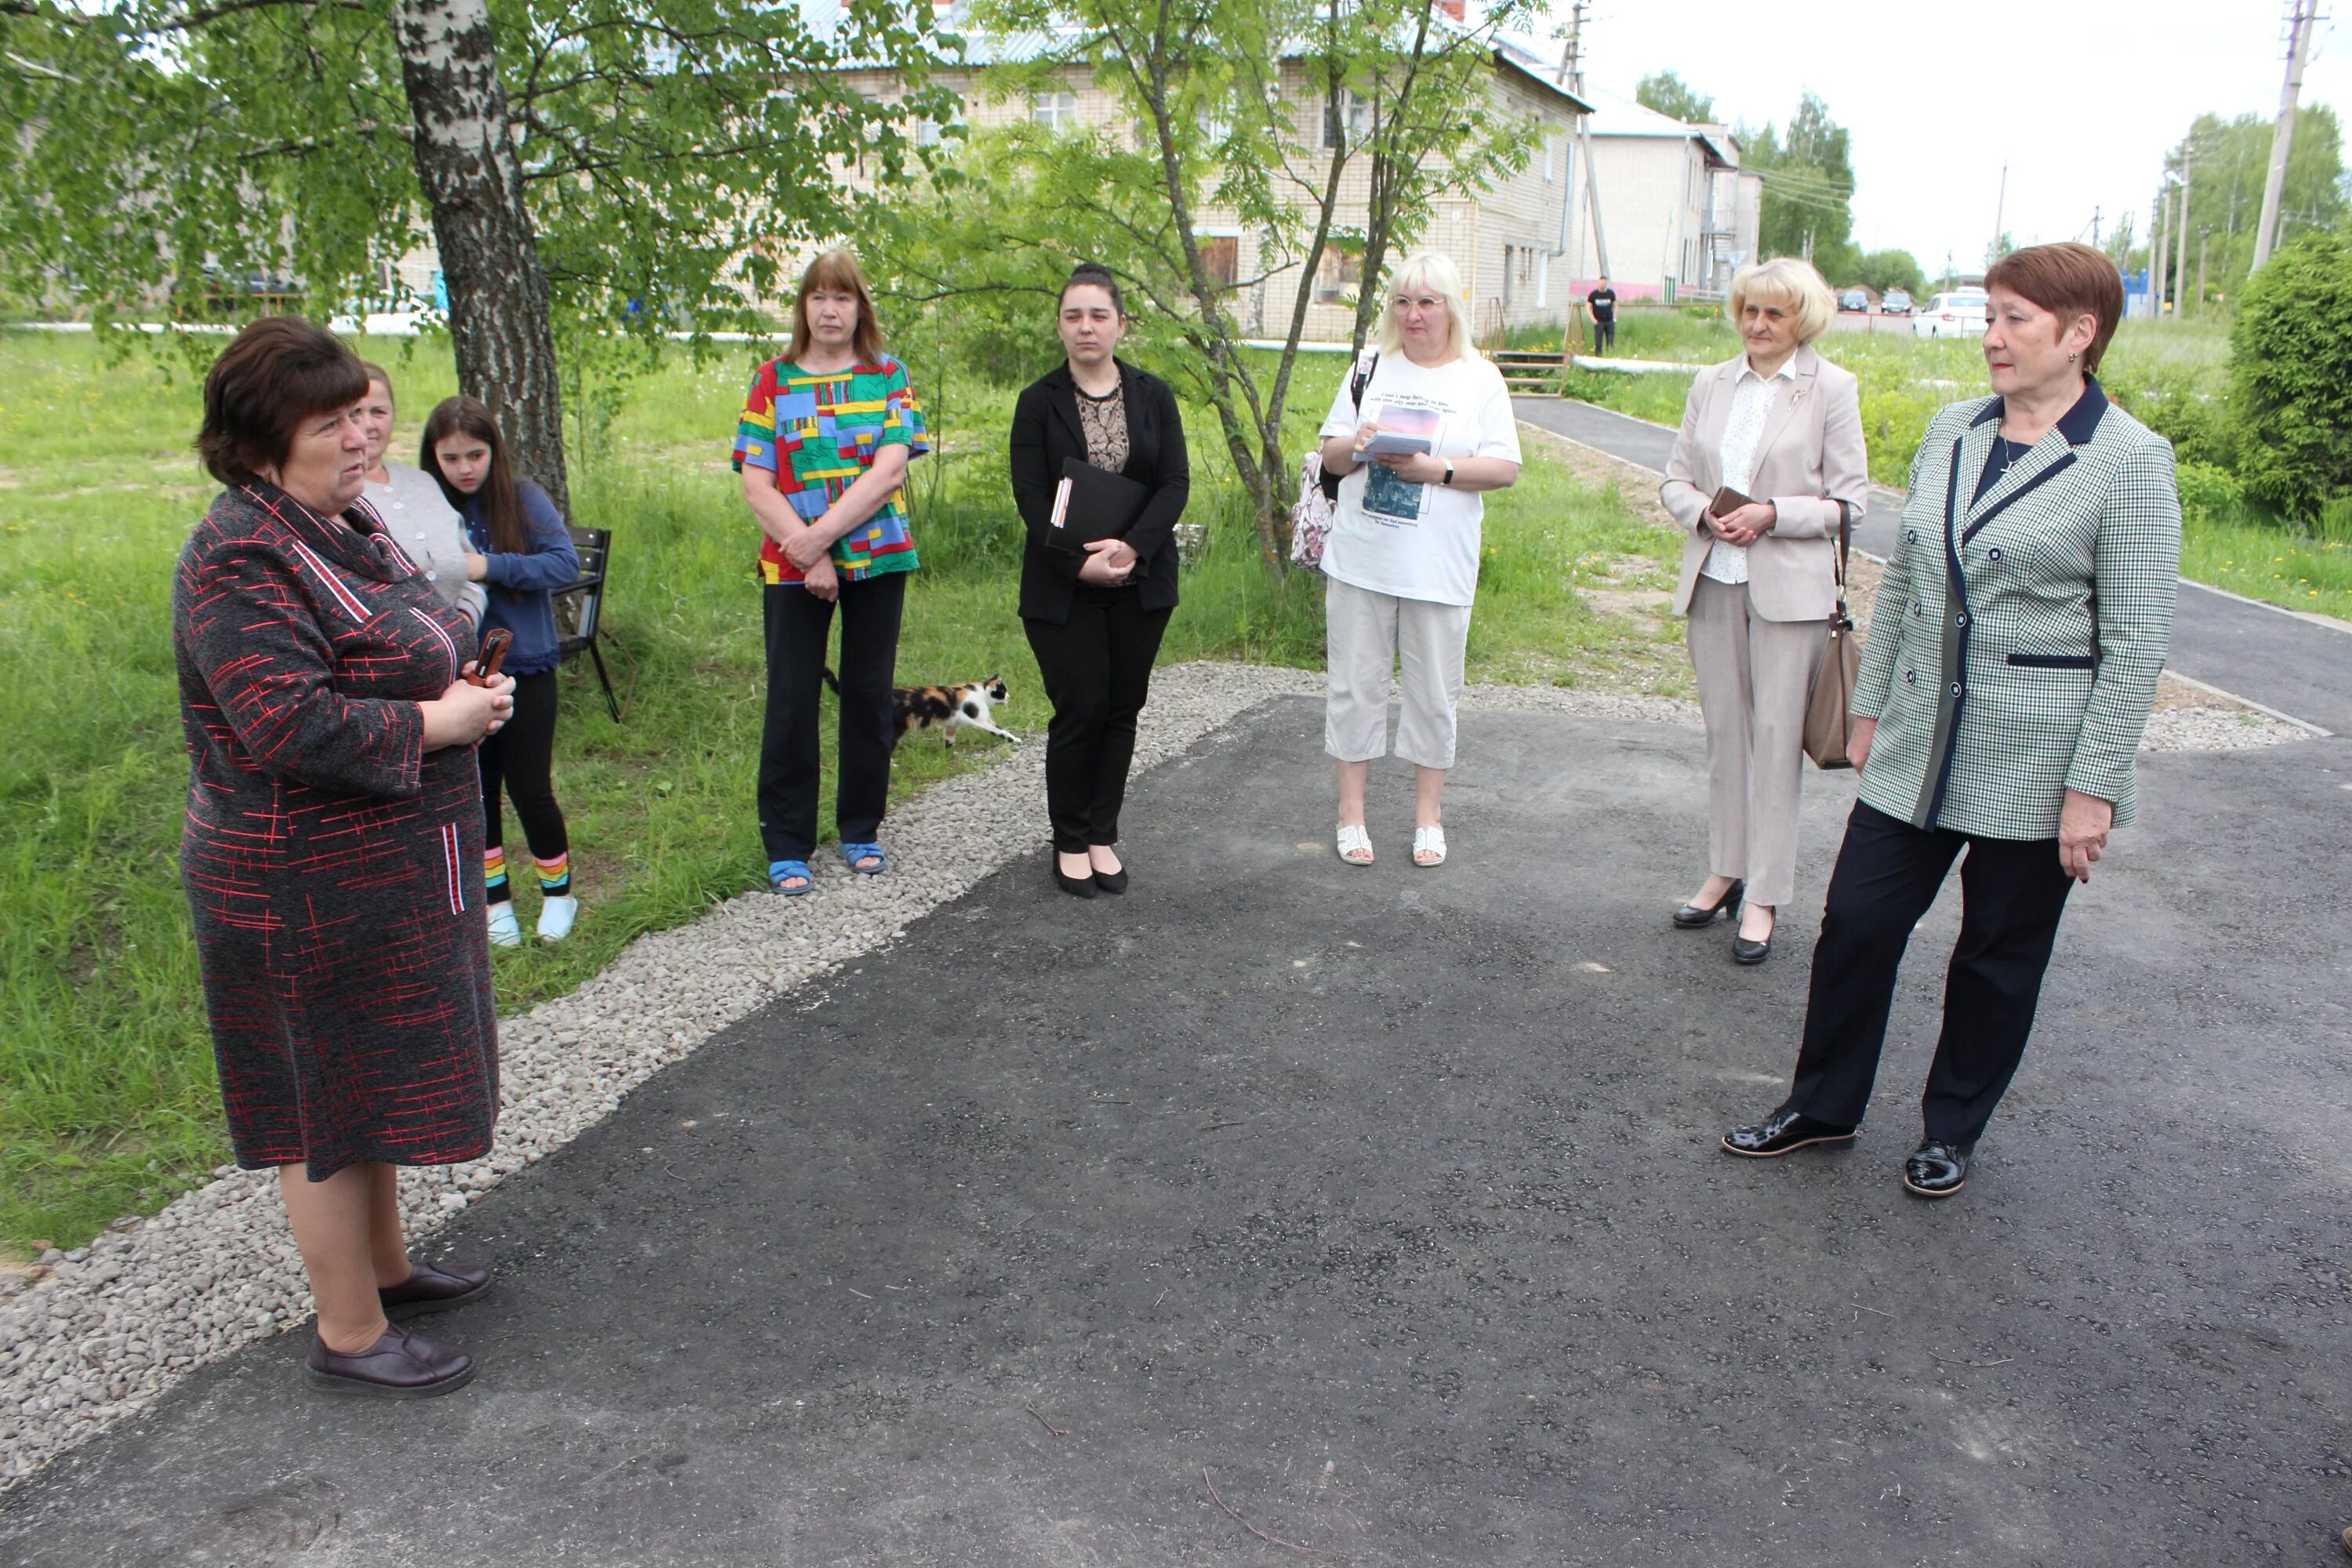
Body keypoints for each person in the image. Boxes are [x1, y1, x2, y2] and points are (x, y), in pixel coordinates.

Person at [1721, 242, 2180, 1199]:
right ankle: (1823, 1104)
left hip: (2038, 752)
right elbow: (1908, 587)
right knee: (1857, 919)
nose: (1993, 337)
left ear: (2080, 334)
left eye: (2016, 319)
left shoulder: (2129, 460)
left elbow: (2136, 640)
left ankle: (1951, 1128)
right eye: (1990, 317)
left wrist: (2093, 785)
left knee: (1996, 956)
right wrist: (1873, 706)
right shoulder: (1953, 431)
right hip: (1919, 739)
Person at [175, 317, 513, 1396]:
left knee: (366, 1077)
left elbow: (405, 634)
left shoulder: (332, 516)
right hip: (295, 884)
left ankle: (388, 1270)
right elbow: (286, 723)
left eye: (362, 417)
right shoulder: (239, 550)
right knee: (320, 1100)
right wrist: (440, 725)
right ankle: (351, 1331)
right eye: (332, 425)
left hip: (376, 869)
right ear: (263, 442)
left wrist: (464, 686)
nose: (363, 439)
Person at [1661, 256, 1868, 965]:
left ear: (1800, 319)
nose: (1757, 324)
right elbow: (1674, 480)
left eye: (1774, 313)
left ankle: (1765, 896)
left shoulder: (1832, 389)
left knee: (1777, 745)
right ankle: (1726, 869)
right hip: (1714, 579)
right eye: (1749, 310)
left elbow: (1851, 504)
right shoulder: (1709, 383)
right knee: (1727, 738)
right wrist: (1705, 515)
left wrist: (1773, 514)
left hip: (1789, 594)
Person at [1316, 251, 1522, 869]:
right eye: (1403, 302)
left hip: (1438, 566)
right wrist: (1359, 444)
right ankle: (1351, 816)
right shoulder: (1369, 368)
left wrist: (1440, 470)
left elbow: (1505, 467)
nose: (1414, 315)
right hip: (1362, 559)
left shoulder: (1479, 379)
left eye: (1428, 302)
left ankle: (1427, 818)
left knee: (1434, 693)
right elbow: (1329, 457)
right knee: (1356, 688)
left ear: (1451, 308)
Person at [733, 247, 928, 895]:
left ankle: (860, 829)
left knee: (868, 694)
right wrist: (807, 552)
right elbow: (757, 482)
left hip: (876, 560)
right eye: (817, 296)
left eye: (841, 296)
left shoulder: (889, 376)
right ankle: (788, 843)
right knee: (791, 699)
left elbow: (890, 471)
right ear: (803, 308)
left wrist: (821, 541)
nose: (829, 309)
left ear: (859, 306)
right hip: (792, 566)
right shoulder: (773, 380)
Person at [1009, 263, 1190, 898]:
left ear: (1121, 324)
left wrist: (1132, 549)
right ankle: (1068, 839)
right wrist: (1077, 561)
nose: (1086, 327)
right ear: (1060, 326)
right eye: (1073, 315)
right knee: (1081, 707)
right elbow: (1031, 497)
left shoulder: (1154, 396)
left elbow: (1174, 484)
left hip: (1139, 579)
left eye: (1098, 315)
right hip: (1063, 584)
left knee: (1122, 707)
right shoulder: (1038, 402)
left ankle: (1102, 834)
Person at [422, 396, 583, 946]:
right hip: (459, 678)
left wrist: (486, 565)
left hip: (529, 667)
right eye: (450, 458)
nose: (465, 468)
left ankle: (559, 894)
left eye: (475, 454)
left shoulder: (523, 499)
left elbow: (564, 562)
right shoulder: (428, 511)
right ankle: (496, 904)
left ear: (494, 451)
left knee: (530, 788)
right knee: (478, 792)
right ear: (433, 459)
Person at [356, 363, 485, 627]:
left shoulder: (422, 483)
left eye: (379, 412)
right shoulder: (336, 497)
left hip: (459, 650)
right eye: (355, 413)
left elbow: (469, 570)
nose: (368, 424)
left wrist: (465, 621)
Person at [1585, 277, 1618, 354]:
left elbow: (1616, 305)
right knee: (1598, 343)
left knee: (1610, 342)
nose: (1602, 284)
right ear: (1598, 283)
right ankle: (1598, 358)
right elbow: (1588, 307)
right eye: (1600, 283)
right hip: (1599, 322)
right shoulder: (1593, 294)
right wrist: (1594, 320)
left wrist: (1614, 320)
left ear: (1606, 283)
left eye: (1603, 283)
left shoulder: (1611, 294)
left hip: (1609, 322)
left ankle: (1610, 356)